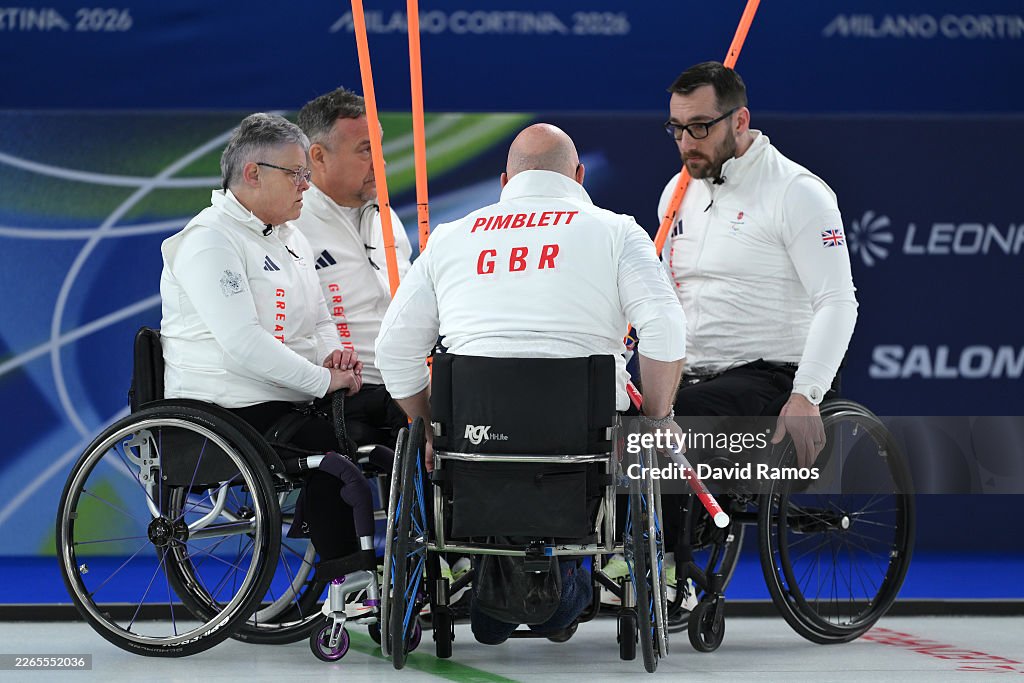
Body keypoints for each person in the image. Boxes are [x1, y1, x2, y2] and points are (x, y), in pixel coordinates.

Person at [374, 123, 687, 644]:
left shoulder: (452, 236)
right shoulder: (615, 231)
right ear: (579, 176)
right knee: (628, 436)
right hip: (583, 452)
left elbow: (392, 350)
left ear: (504, 181)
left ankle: (504, 592)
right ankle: (563, 591)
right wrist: (656, 416)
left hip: (472, 450)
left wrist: (428, 423)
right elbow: (666, 329)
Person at [159, 112, 373, 566]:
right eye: (297, 174)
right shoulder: (209, 240)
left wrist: (335, 356)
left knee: (393, 416)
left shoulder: (291, 239)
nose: (306, 186)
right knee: (335, 449)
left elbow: (319, 321)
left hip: (285, 397)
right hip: (229, 410)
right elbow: (243, 343)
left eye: (306, 175)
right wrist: (322, 380)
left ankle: (416, 565)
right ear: (253, 174)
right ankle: (350, 578)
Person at [658, 61, 858, 468]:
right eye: (677, 128)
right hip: (690, 375)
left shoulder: (797, 192)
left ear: (740, 120)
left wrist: (807, 394)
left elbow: (838, 302)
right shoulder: (677, 194)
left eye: (699, 126)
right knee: (615, 413)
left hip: (770, 380)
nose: (686, 142)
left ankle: (661, 534)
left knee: (673, 421)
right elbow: (660, 302)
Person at [294, 87, 413, 449]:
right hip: (344, 394)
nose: (381, 163)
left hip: (406, 381)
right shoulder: (292, 223)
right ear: (318, 156)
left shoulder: (386, 217)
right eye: (366, 150)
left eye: (379, 148)